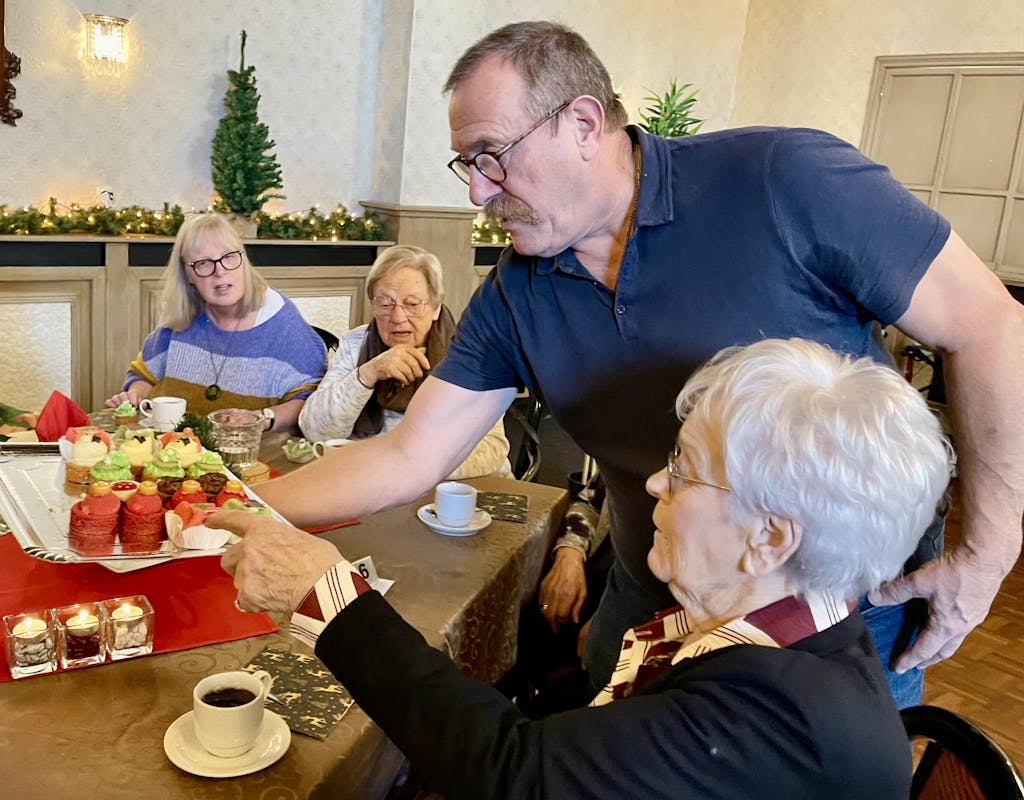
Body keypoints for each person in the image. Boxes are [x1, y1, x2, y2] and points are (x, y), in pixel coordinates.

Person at [253, 21, 1024, 709]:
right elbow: (406, 455)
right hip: (655, 585)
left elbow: (989, 323)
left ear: (584, 123)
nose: (480, 191)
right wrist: (244, 505)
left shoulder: (782, 178)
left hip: (842, 603)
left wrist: (987, 553)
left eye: (493, 156)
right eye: (468, 165)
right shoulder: (518, 291)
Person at [217, 338, 951, 799]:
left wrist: (330, 598)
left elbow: (513, 773)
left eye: (685, 469)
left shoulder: (777, 719)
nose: (656, 484)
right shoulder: (798, 643)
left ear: (768, 539)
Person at [298, 245, 510, 479]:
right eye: (385, 304)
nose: (398, 317)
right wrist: (367, 374)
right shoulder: (356, 344)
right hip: (370, 483)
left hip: (454, 488)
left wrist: (411, 469)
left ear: (435, 308)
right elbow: (316, 432)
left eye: (412, 304)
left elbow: (493, 446)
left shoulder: (470, 353)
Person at [105, 213, 326, 433]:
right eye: (203, 263)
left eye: (228, 257)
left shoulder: (281, 321)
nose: (220, 271)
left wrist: (260, 418)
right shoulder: (185, 314)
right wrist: (134, 396)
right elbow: (144, 376)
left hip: (251, 450)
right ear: (188, 274)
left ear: (243, 260)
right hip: (176, 446)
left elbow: (314, 403)